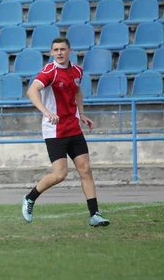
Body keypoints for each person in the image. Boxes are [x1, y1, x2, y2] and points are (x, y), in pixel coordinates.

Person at [22, 37, 110, 227]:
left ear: (70, 51)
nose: (59, 53)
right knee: (60, 174)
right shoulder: (49, 71)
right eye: (56, 50)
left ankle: (95, 214)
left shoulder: (77, 70)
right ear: (51, 52)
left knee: (85, 169)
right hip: (54, 130)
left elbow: (77, 91)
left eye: (63, 49)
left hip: (73, 127)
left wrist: (82, 114)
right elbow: (32, 91)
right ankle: (30, 198)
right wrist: (46, 112)